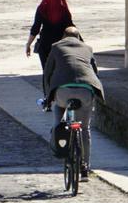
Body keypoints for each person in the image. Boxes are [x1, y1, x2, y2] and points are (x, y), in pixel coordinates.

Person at [42, 26, 104, 181]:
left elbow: (47, 73)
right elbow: (95, 72)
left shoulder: (56, 47)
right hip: (85, 91)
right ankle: (85, 168)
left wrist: (47, 97)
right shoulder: (87, 48)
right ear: (79, 37)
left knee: (58, 110)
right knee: (84, 128)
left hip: (63, 92)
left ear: (64, 36)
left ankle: (58, 135)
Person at [25, 0, 74, 70]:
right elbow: (71, 28)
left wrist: (28, 44)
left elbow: (35, 28)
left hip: (45, 46)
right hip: (61, 46)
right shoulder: (63, 10)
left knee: (47, 73)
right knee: (60, 72)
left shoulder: (42, 9)